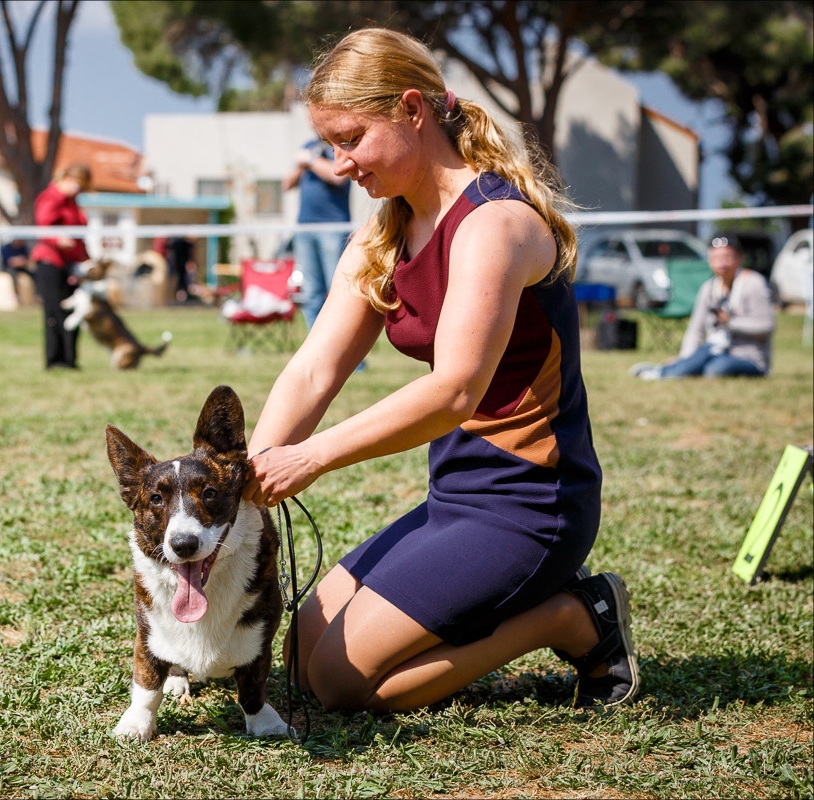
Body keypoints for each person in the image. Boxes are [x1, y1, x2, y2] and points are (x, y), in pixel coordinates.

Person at [241, 28, 639, 714]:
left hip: (531, 507)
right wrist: (245, 483)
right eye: (330, 146)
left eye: (351, 139)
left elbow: (455, 389)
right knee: (301, 655)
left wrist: (311, 457)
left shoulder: (497, 224)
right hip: (453, 502)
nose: (339, 166)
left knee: (336, 683)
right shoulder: (383, 234)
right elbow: (313, 371)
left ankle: (574, 614)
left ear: (412, 110)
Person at [631, 233, 775, 380]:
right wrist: (685, 359)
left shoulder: (754, 284)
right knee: (708, 361)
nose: (722, 263)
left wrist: (730, 323)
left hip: (749, 358)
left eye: (727, 257)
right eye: (716, 258)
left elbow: (766, 326)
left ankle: (661, 372)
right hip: (716, 351)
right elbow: (696, 329)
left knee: (714, 369)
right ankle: (668, 370)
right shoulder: (709, 287)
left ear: (739, 259)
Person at [283, 129, 352, 329]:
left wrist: (311, 160)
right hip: (304, 228)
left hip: (334, 228)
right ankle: (318, 354)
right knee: (311, 294)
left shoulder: (341, 144)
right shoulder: (308, 147)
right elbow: (286, 184)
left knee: (339, 294)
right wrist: (302, 163)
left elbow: (339, 177)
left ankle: (353, 361)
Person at [31, 164, 91, 370]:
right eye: (77, 185)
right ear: (65, 177)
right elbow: (43, 227)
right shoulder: (50, 197)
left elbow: (80, 235)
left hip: (72, 266)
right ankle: (55, 360)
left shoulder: (73, 204)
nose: (78, 190)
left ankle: (70, 360)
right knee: (55, 313)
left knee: (73, 312)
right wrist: (58, 239)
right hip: (51, 263)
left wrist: (86, 262)